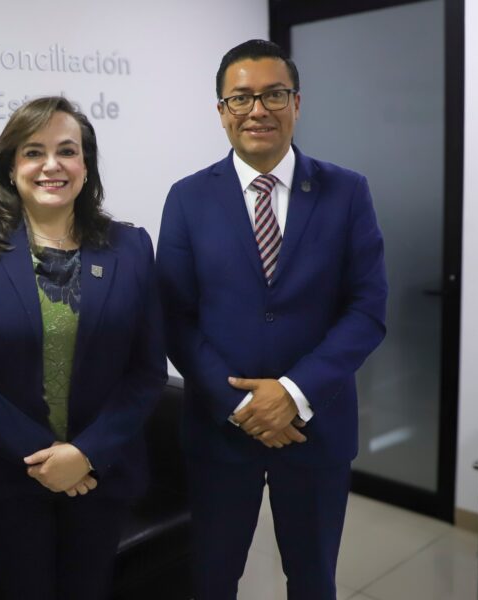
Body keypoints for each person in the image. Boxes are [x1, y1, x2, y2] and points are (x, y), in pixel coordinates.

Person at [156, 40, 388, 599]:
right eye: (241, 98)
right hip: (220, 430)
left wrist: (293, 392)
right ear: (221, 111)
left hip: (316, 426)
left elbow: (366, 309)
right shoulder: (188, 198)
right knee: (212, 580)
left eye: (274, 95)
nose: (257, 110)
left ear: (297, 103)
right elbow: (175, 317)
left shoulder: (346, 191)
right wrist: (241, 405)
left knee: (312, 580)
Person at [0, 96, 167, 599]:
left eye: (67, 151)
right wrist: (45, 459)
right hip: (7, 473)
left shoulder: (130, 248)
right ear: (11, 166)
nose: (51, 165)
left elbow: (147, 370)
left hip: (100, 473)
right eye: (33, 152)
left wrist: (85, 454)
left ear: (86, 166)